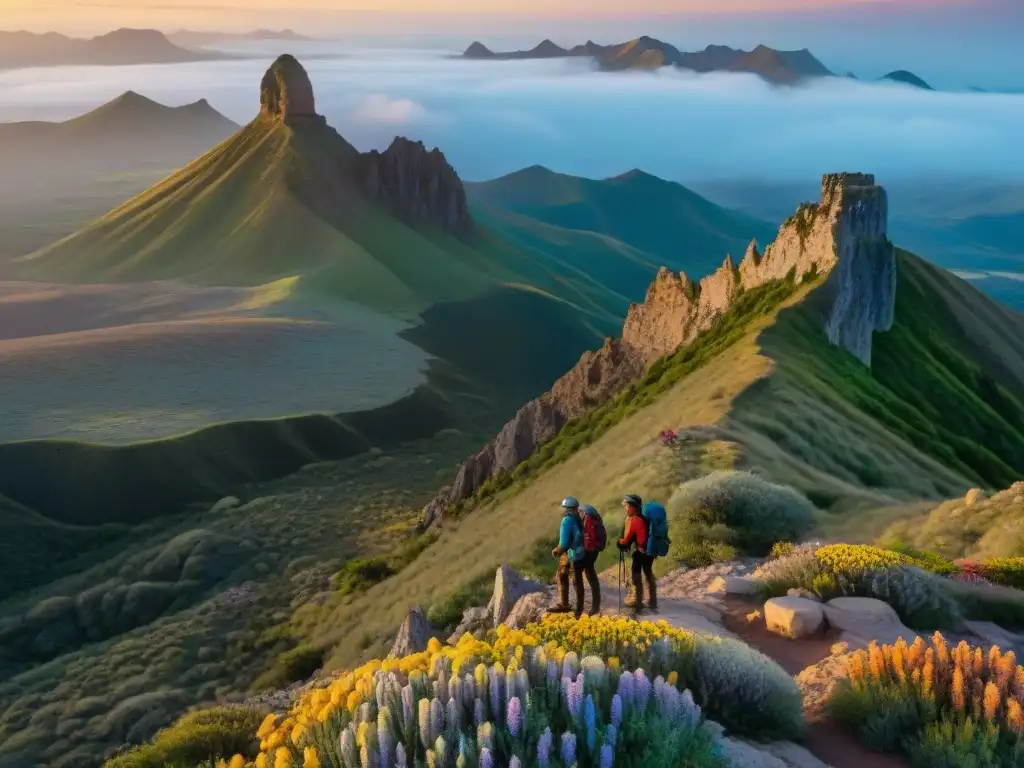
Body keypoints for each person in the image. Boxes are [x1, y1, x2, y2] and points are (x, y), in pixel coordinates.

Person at [617, 493, 657, 614]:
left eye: (627, 506)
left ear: (633, 506)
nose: (626, 508)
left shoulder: (634, 520)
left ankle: (637, 601)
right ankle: (652, 600)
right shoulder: (643, 518)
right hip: (649, 551)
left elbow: (626, 540)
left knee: (636, 575)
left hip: (640, 552)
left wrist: (619, 542)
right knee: (648, 572)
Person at [549, 496, 586, 618]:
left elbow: (564, 542)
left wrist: (557, 551)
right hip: (580, 553)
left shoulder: (567, 521)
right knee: (571, 577)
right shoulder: (578, 518)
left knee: (567, 578)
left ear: (567, 509)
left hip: (571, 554)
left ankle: (571, 607)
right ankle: (575, 607)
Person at [578, 504, 604, 615]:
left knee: (582, 576)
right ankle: (595, 605)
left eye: (580, 512)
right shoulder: (596, 523)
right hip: (593, 552)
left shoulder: (587, 522)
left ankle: (585, 607)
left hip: (588, 552)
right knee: (591, 575)